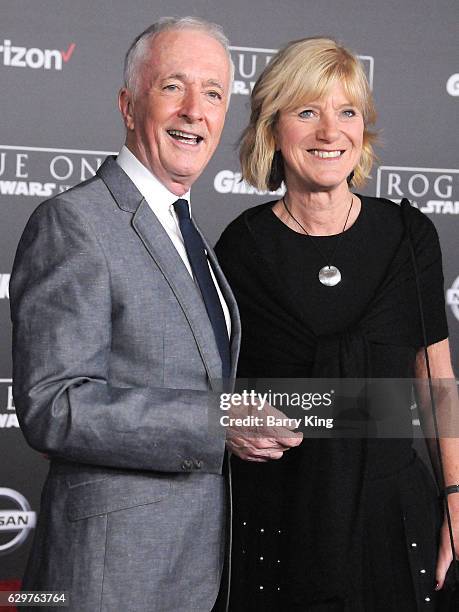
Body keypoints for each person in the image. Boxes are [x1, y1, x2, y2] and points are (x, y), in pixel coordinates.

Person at [9, 17, 299, 612]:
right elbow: (55, 405)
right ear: (127, 103)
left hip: (198, 571)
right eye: (173, 86)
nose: (195, 110)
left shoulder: (193, 238)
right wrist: (214, 422)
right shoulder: (77, 223)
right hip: (108, 577)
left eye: (214, 93)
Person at [215, 37, 459, 611]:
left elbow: (435, 379)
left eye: (346, 112)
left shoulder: (408, 237)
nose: (330, 132)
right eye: (307, 112)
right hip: (278, 521)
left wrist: (454, 496)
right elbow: (211, 389)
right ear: (273, 130)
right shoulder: (240, 249)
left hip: (396, 518)